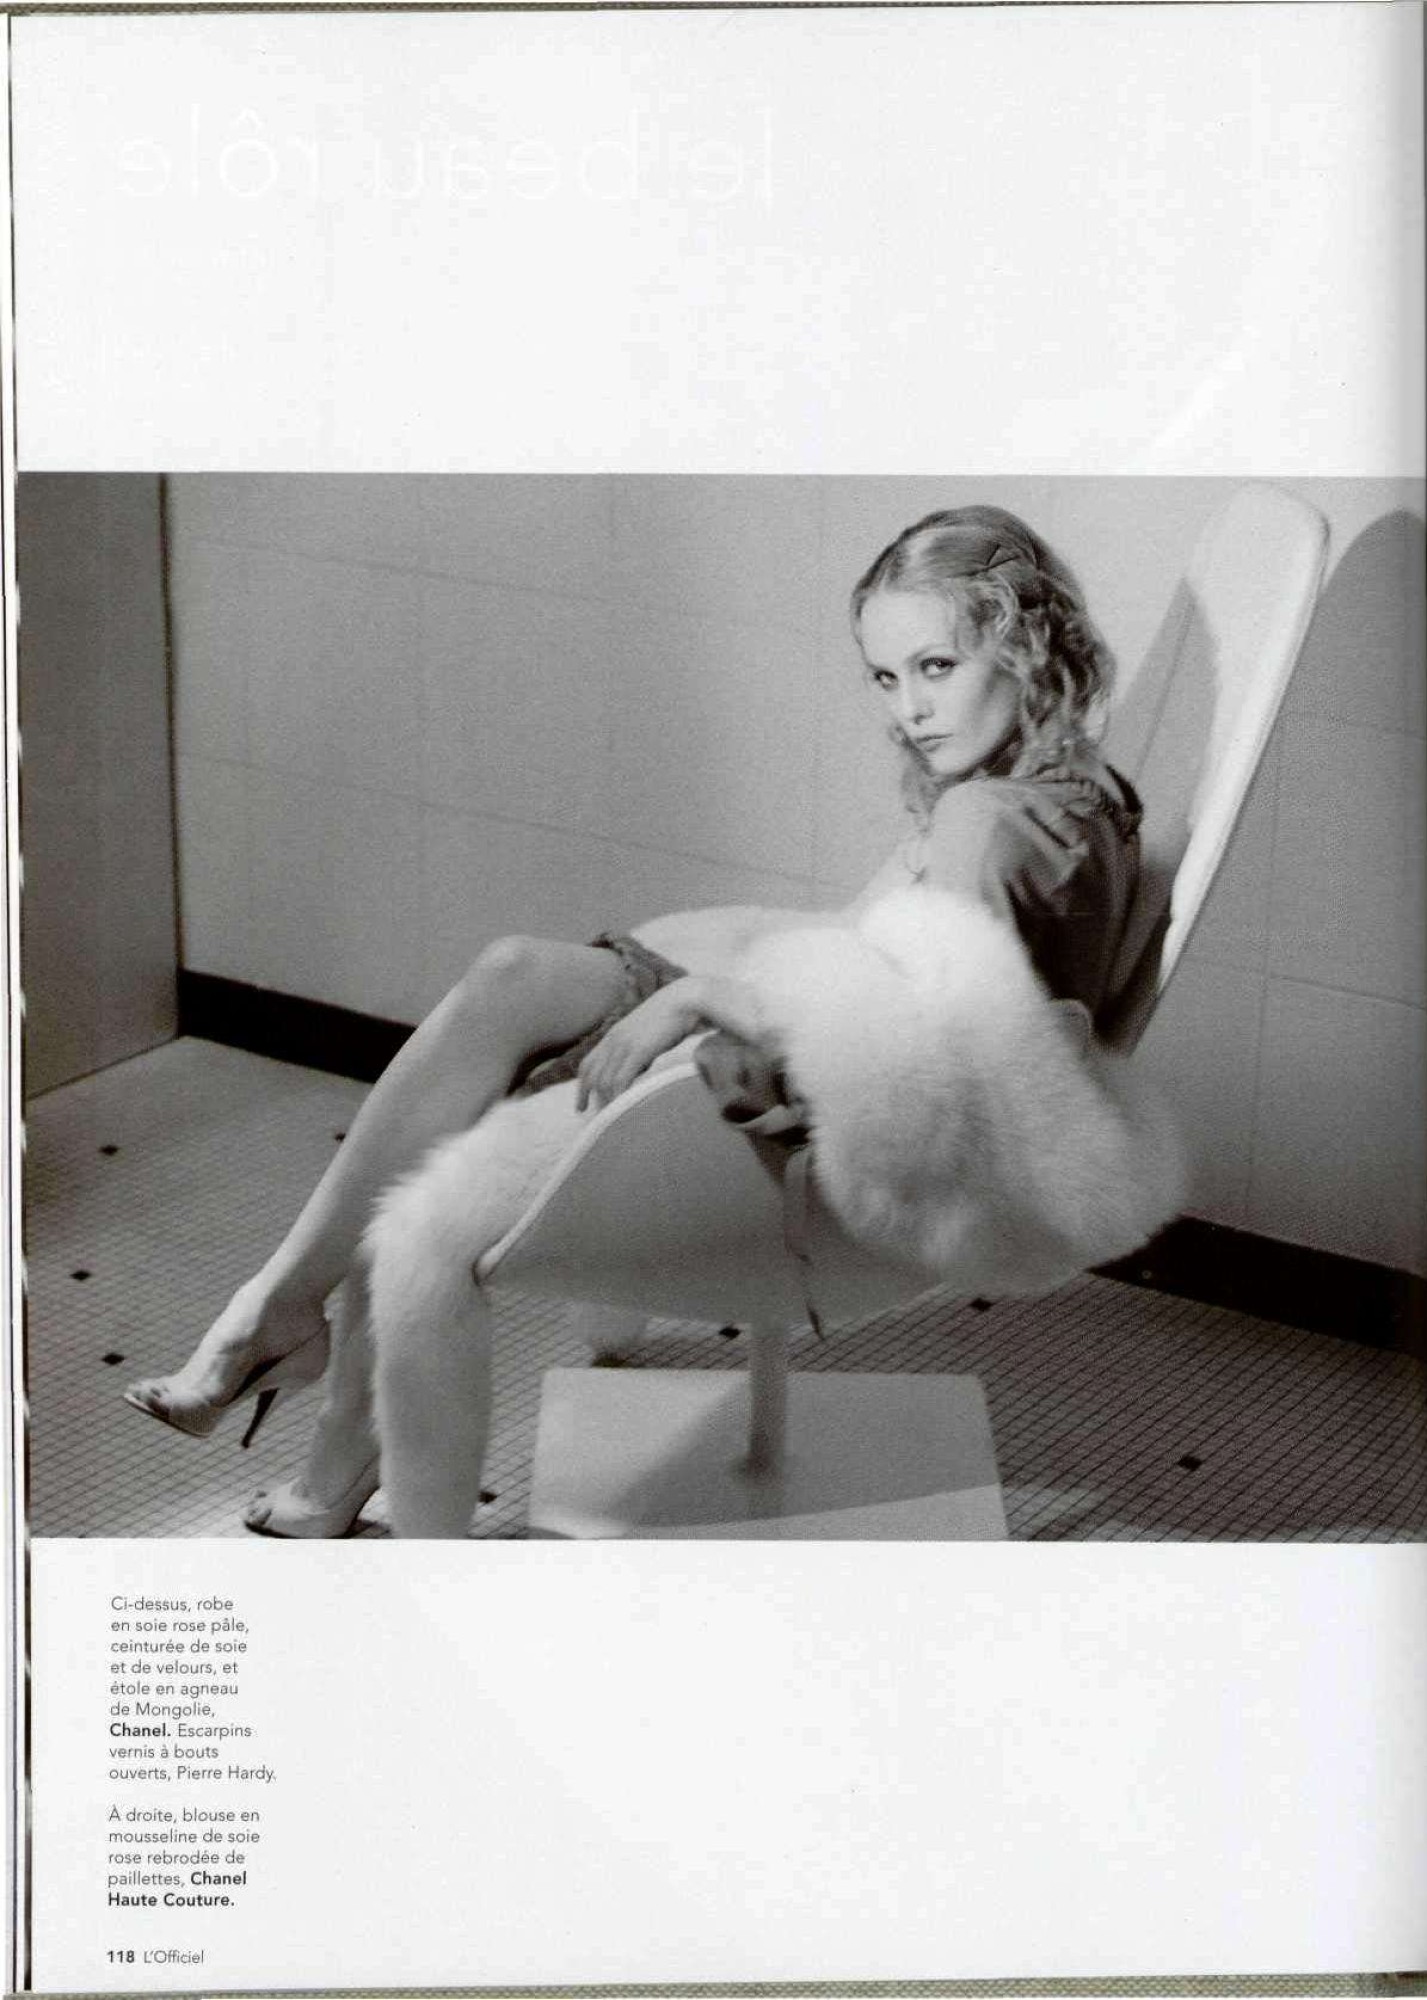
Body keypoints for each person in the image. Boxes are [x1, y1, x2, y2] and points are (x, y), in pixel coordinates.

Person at [125, 504, 1144, 1537]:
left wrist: (693, 997)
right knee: (512, 974)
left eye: (936, 667)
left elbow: (906, 1058)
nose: (909, 709)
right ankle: (282, 1313)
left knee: (444, 1126)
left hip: (791, 1104)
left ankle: (299, 1375)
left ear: (1023, 641)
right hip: (784, 1004)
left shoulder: (984, 820)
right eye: (885, 678)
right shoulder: (1076, 790)